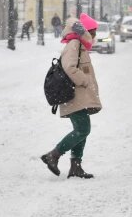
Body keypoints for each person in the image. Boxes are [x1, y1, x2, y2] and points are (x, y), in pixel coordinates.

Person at [40, 12, 103, 179]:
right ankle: (54, 155)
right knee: (83, 129)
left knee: (81, 130)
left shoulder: (79, 45)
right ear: (85, 31)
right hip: (74, 95)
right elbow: (69, 67)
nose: (94, 35)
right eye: (93, 31)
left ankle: (76, 166)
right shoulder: (74, 44)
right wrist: (84, 80)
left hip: (79, 96)